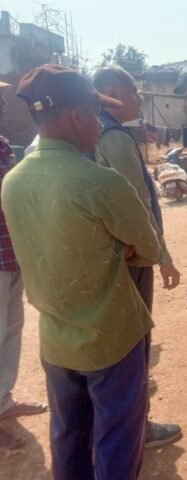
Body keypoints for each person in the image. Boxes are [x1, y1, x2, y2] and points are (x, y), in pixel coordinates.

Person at [4, 64, 162, 478]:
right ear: (77, 116)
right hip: (111, 338)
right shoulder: (101, 182)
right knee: (116, 442)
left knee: (69, 438)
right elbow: (149, 249)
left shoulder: (13, 181)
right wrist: (120, 247)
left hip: (56, 339)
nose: (99, 123)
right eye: (95, 113)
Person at [92, 67, 182, 448]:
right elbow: (136, 206)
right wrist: (160, 255)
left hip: (102, 260)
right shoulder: (112, 136)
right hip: (131, 261)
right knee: (134, 344)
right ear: (110, 92)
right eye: (134, 91)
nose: (140, 98)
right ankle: (138, 427)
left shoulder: (85, 133)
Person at [0, 81, 47, 451]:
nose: (2, 103)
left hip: (10, 252)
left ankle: (3, 400)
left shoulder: (3, 144)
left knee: (11, 329)